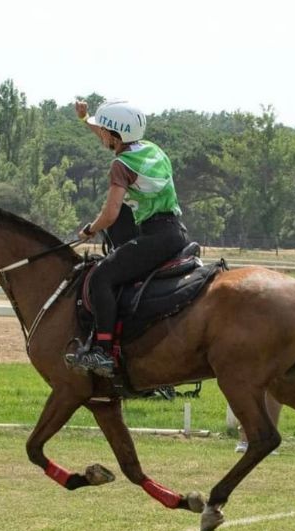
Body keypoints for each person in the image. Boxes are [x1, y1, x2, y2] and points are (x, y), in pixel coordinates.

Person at [65, 99, 189, 377]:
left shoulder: (120, 165)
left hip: (155, 237)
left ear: (115, 135)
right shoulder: (151, 149)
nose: (101, 135)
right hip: (175, 232)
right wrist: (85, 121)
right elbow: (110, 136)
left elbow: (110, 214)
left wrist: (89, 230)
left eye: (104, 131)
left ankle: (104, 352)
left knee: (100, 278)